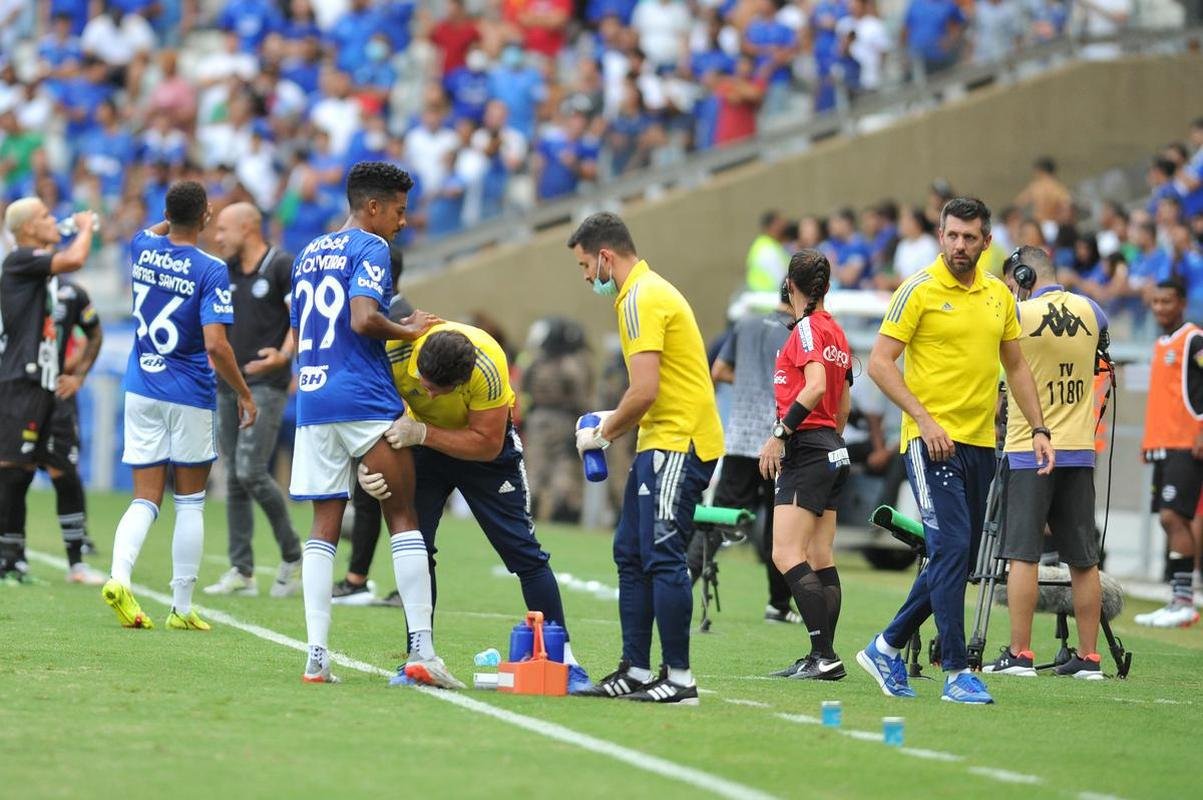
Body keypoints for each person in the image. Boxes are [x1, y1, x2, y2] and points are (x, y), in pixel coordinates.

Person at [855, 197, 1054, 705]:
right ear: (941, 237)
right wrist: (923, 420)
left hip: (980, 444)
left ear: (987, 242)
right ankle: (957, 670)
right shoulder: (916, 290)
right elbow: (879, 364)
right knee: (949, 550)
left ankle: (887, 645)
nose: (960, 245)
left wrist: (1039, 428)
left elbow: (1018, 367)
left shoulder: (999, 297)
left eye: (970, 237)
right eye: (952, 236)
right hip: (928, 443)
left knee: (958, 556)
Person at [288, 161, 458, 688]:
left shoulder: (307, 252)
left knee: (322, 528)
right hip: (363, 398)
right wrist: (407, 330)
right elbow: (363, 318)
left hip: (314, 401)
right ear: (374, 207)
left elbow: (301, 329)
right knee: (403, 517)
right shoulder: (372, 246)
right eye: (400, 211)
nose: (403, 223)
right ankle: (423, 654)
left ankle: (316, 656)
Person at [355, 321, 594, 693]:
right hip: (420, 450)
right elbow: (359, 410)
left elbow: (486, 443)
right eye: (425, 386)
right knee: (416, 547)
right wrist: (365, 461)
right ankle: (419, 656)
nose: (430, 396)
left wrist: (423, 432)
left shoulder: (488, 366)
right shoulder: (396, 349)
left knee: (524, 554)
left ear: (463, 381)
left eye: (442, 391)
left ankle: (564, 660)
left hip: (484, 455)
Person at [569, 212, 724, 704]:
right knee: (630, 554)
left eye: (585, 265)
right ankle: (636, 669)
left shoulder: (638, 297)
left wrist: (603, 433)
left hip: (679, 442)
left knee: (661, 555)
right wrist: (612, 421)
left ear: (606, 256)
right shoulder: (647, 291)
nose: (587, 276)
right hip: (659, 439)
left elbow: (645, 390)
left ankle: (679, 679)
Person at [101, 181, 257, 632]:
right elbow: (216, 345)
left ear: (167, 213)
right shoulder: (210, 269)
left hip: (140, 386)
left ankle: (119, 576)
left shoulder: (142, 247)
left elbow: (157, 230)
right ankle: (182, 607)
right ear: (207, 215)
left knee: (145, 497)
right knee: (190, 501)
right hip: (188, 393)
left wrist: (173, 214)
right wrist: (244, 394)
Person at [984, 246, 1109, 680]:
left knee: (1023, 555)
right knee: (1083, 559)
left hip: (1029, 448)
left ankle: (1020, 654)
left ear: (1022, 275)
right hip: (1080, 448)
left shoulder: (1017, 314)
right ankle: (1089, 659)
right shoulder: (1092, 310)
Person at [759, 250, 853, 680]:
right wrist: (834, 443)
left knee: (785, 552)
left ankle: (823, 654)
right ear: (826, 288)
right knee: (818, 553)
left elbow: (815, 386)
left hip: (809, 447)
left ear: (788, 286)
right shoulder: (837, 331)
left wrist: (781, 436)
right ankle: (823, 655)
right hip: (832, 446)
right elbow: (843, 399)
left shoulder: (809, 330)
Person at [203, 202, 303, 599]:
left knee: (250, 469)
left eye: (224, 230)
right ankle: (242, 570)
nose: (217, 237)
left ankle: (293, 555)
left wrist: (284, 354)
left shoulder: (280, 265)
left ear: (247, 228)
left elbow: (301, 317)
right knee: (234, 474)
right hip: (228, 383)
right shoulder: (223, 272)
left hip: (266, 385)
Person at [0, 199, 95, 583]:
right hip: (19, 381)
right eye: (43, 217)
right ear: (26, 230)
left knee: (43, 468)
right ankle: (9, 558)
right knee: (10, 469)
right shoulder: (20, 259)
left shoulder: (44, 275)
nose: (51, 219)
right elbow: (73, 260)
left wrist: (78, 372)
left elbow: (92, 328)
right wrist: (86, 226)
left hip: (42, 383)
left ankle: (33, 559)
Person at [699, 295, 796, 623]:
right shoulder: (798, 332)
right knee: (777, 526)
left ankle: (683, 580)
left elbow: (719, 370)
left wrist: (748, 385)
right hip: (776, 440)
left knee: (720, 516)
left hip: (740, 436)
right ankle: (778, 606)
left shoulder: (746, 323)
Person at [1134, 280, 1202, 628]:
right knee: (1168, 518)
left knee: (1173, 517)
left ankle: (1184, 601)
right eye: (1156, 301)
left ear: (1181, 303)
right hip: (1163, 444)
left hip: (1185, 442)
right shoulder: (1161, 343)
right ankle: (1178, 600)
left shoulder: (1193, 338)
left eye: (1167, 301)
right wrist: (1150, 442)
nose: (1160, 307)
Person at [40, 277, 107, 585]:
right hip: (23, 392)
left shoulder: (69, 296)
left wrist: (72, 371)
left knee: (66, 468)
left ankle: (81, 539)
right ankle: (10, 551)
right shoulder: (18, 285)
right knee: (14, 470)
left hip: (61, 394)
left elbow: (84, 340)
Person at [744, 210, 791, 293]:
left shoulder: (772, 245)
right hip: (767, 299)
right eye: (779, 224)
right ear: (772, 226)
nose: (784, 227)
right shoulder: (767, 249)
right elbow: (782, 278)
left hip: (767, 298)